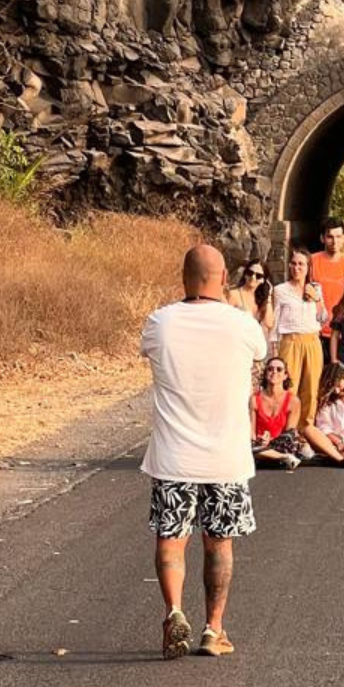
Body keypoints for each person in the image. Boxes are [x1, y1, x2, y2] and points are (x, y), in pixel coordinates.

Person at [140, 242, 266, 660]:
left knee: (172, 540)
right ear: (225, 279)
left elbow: (148, 352)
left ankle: (175, 611)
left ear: (183, 278)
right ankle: (214, 628)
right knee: (219, 543)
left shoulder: (160, 323)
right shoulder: (242, 325)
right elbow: (261, 353)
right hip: (226, 457)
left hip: (173, 455)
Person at [272, 248, 326, 426]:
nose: (297, 268)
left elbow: (323, 318)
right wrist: (274, 349)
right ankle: (287, 429)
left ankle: (305, 429)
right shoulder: (280, 290)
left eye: (301, 264)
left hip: (312, 341)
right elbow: (275, 322)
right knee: (289, 387)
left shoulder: (316, 288)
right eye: (293, 263)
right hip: (291, 341)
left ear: (308, 267)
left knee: (311, 388)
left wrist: (317, 299)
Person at [311, 216, 344, 361]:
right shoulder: (311, 262)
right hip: (315, 331)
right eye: (330, 237)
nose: (334, 241)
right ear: (322, 238)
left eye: (338, 236)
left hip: (341, 332)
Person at [251, 355, 307, 469]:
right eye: (270, 369)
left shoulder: (293, 401)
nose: (274, 372)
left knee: (289, 439)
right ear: (265, 374)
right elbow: (251, 431)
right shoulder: (254, 399)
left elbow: (289, 434)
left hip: (280, 444)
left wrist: (270, 441)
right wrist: (259, 440)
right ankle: (283, 457)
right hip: (259, 446)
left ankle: (276, 456)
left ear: (285, 375)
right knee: (245, 445)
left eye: (279, 369)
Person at [228, 258, 275, 384]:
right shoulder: (234, 294)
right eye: (250, 273)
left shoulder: (261, 299)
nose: (253, 277)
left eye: (258, 275)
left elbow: (269, 323)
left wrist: (269, 296)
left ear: (263, 280)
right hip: (237, 349)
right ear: (245, 273)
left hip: (255, 352)